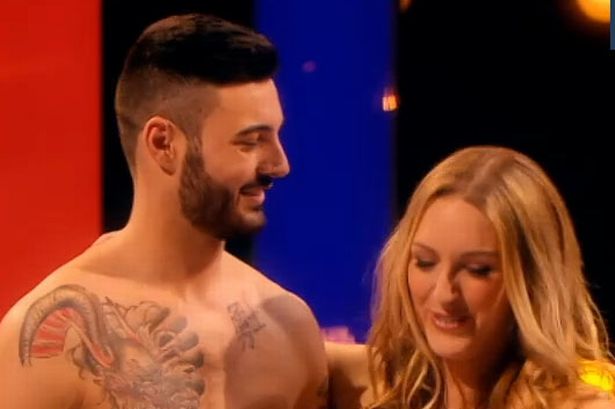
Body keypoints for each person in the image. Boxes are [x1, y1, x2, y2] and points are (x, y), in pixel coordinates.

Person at [0, 14, 328, 409]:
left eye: (276, 136)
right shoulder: (45, 348)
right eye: (250, 142)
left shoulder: (289, 326)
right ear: (162, 143)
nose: (279, 165)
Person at [327, 146, 615, 409]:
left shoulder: (583, 402)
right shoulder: (387, 384)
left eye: (477, 270)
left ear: (533, 281)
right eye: (425, 263)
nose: (444, 293)